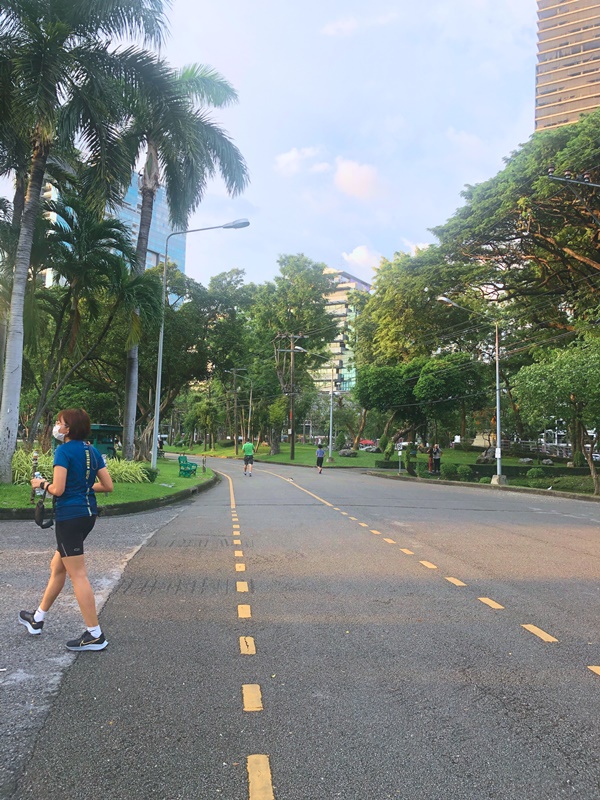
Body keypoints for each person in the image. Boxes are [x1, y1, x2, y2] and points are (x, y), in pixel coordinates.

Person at [20, 408, 114, 651]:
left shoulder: (63, 451)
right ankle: (37, 618)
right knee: (57, 566)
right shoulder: (92, 451)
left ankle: (95, 635)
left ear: (68, 428)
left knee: (78, 574)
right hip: (88, 515)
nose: (57, 426)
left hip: (69, 517)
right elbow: (107, 485)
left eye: (59, 423)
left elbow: (58, 490)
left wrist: (41, 483)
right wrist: (82, 487)